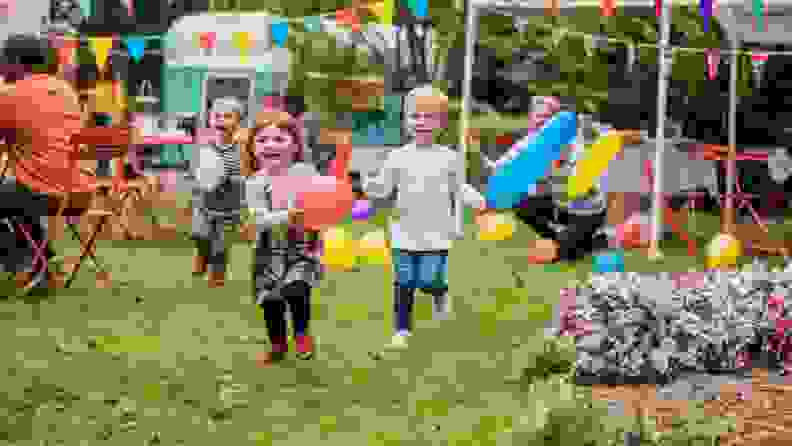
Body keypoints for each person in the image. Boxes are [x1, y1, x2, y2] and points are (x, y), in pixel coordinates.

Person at [363, 85, 493, 350]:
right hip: (404, 229)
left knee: (429, 279)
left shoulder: (449, 157)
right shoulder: (397, 156)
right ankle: (402, 329)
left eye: (429, 117)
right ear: (405, 121)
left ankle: (439, 292)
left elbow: (459, 187)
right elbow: (385, 188)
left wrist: (478, 200)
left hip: (437, 231)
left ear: (442, 123)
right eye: (414, 116)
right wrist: (369, 185)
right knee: (404, 280)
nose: (421, 123)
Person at [244, 96, 320, 365]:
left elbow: (322, 200)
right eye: (263, 140)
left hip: (301, 246)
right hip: (268, 249)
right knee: (271, 301)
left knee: (298, 287)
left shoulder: (305, 172)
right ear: (252, 148)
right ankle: (277, 344)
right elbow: (259, 219)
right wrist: (287, 215)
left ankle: (302, 333)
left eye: (280, 139)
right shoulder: (255, 183)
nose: (271, 145)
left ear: (295, 146)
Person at [490, 96, 609, 263]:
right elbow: (500, 167)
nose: (539, 126)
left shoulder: (572, 142)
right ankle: (564, 239)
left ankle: (585, 240)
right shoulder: (529, 144)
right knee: (521, 203)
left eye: (545, 120)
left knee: (560, 256)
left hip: (586, 210)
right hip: (559, 205)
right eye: (536, 120)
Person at [190, 97, 246, 287]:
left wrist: (230, 179)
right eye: (216, 116)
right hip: (204, 203)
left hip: (230, 207)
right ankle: (203, 255)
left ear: (238, 122)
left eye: (227, 117)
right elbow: (195, 170)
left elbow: (246, 175)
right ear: (210, 119)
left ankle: (217, 278)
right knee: (199, 235)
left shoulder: (242, 150)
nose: (221, 120)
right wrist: (198, 180)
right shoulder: (203, 145)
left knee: (221, 246)